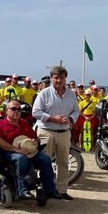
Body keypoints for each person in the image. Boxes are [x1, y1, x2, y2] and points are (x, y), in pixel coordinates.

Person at [0, 98, 60, 200]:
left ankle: (49, 189)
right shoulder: (0, 124)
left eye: (19, 109)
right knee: (21, 158)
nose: (17, 111)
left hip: (28, 150)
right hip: (8, 151)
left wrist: (35, 141)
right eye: (13, 109)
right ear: (6, 111)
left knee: (45, 158)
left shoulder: (24, 123)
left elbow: (35, 137)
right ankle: (22, 190)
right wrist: (15, 149)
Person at [32, 65, 79, 200]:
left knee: (63, 162)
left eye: (62, 78)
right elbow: (35, 112)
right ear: (52, 78)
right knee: (44, 162)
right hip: (46, 132)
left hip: (64, 132)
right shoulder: (44, 93)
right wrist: (52, 118)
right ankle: (44, 190)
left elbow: (76, 110)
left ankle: (62, 191)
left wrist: (70, 119)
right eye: (56, 78)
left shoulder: (71, 94)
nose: (59, 80)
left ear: (65, 79)